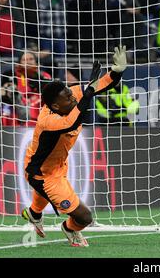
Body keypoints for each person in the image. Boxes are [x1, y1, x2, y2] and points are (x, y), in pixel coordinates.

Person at [21, 46, 127, 247]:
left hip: (58, 164)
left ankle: (35, 214)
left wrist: (117, 71)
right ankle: (69, 227)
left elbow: (101, 85)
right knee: (85, 217)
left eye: (72, 95)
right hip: (39, 173)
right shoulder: (47, 121)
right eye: (68, 98)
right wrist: (87, 96)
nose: (73, 98)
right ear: (55, 107)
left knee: (46, 193)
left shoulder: (71, 96)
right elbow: (71, 121)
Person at [2, 51, 52, 125]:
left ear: (36, 62)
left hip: (39, 107)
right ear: (20, 63)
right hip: (19, 108)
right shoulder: (11, 75)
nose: (28, 62)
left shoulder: (44, 76)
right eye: (24, 60)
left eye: (31, 59)